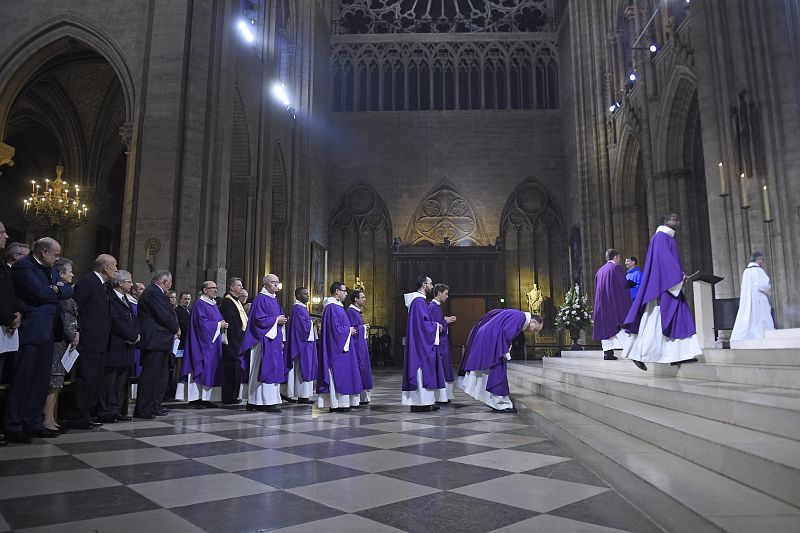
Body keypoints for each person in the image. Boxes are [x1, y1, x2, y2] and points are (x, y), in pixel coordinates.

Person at [6, 237, 73, 443]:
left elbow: (68, 290)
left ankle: (33, 422)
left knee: (40, 382)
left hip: (48, 331)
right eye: (55, 254)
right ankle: (14, 426)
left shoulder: (50, 269)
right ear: (44, 252)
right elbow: (40, 293)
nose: (58, 258)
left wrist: (56, 289)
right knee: (23, 380)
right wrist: (56, 289)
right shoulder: (24, 267)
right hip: (32, 331)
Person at [623, 213, 702, 370]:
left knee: (676, 318)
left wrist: (678, 275)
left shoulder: (666, 238)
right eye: (674, 219)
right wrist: (678, 276)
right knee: (653, 321)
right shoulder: (661, 238)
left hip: (666, 284)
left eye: (678, 219)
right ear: (666, 221)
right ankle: (637, 354)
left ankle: (679, 356)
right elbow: (666, 262)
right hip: (662, 286)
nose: (678, 221)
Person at [459, 310, 543, 413]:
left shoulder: (518, 315)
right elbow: (506, 333)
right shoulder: (521, 318)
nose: (533, 332)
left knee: (490, 370)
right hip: (491, 338)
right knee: (498, 369)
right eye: (535, 329)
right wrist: (505, 350)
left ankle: (492, 399)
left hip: (488, 336)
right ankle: (501, 403)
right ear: (533, 322)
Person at [69, 254, 117, 429]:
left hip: (100, 342)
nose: (116, 270)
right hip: (88, 341)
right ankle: (78, 417)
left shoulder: (103, 286)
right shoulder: (87, 282)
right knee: (86, 380)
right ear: (105, 267)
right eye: (114, 266)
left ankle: (88, 414)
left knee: (95, 380)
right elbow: (75, 308)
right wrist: (76, 330)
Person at [134, 270, 179, 419]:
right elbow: (164, 315)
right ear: (165, 281)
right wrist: (175, 327)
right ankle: (143, 409)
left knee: (160, 377)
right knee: (151, 376)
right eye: (170, 281)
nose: (171, 284)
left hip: (160, 341)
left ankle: (154, 406)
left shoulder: (157, 293)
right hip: (154, 341)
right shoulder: (153, 293)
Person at [240, 274, 287, 412]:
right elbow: (258, 320)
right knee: (262, 369)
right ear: (265, 283)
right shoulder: (260, 299)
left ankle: (263, 401)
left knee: (273, 368)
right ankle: (261, 401)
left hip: (273, 340)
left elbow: (278, 318)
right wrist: (276, 320)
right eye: (273, 282)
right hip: (262, 340)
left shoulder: (274, 300)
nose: (276, 284)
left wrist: (281, 330)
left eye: (277, 282)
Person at [177, 281, 228, 408]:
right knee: (200, 367)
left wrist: (223, 324)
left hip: (213, 344)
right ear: (205, 290)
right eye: (213, 288)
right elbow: (201, 324)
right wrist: (218, 325)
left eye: (216, 288)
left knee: (210, 370)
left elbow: (218, 320)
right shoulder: (199, 304)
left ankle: (206, 399)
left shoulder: (213, 305)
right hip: (200, 344)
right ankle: (195, 399)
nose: (216, 290)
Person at [401, 275, 446, 413]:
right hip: (421, 344)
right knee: (422, 370)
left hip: (419, 341)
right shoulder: (419, 302)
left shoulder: (419, 301)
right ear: (424, 284)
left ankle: (423, 403)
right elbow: (422, 324)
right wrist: (436, 326)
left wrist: (434, 325)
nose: (431, 286)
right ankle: (421, 403)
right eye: (430, 284)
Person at [43, 258, 78, 433]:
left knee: (57, 383)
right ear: (61, 273)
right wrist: (73, 334)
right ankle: (46, 419)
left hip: (65, 341)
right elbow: (65, 317)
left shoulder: (66, 291)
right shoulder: (61, 294)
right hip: (59, 341)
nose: (72, 274)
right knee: (53, 381)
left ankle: (51, 418)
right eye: (69, 271)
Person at [100, 270, 139, 422]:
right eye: (129, 281)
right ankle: (105, 411)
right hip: (115, 344)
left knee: (120, 381)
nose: (132, 284)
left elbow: (134, 320)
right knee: (109, 381)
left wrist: (135, 335)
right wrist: (132, 336)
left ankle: (116, 410)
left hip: (127, 346)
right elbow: (115, 321)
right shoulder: (110, 297)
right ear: (120, 283)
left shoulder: (126, 298)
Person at [318, 282, 361, 412]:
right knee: (338, 373)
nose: (346, 293)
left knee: (344, 373)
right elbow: (335, 329)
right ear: (337, 291)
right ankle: (337, 404)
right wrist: (348, 330)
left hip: (342, 345)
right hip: (336, 348)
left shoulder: (337, 306)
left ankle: (341, 403)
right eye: (344, 291)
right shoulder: (331, 307)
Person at [0, 223, 22, 446]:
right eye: (2, 232)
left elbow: (10, 295)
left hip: (7, 327)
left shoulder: (4, 268)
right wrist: (7, 317)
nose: (5, 236)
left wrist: (17, 313)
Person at [593, 249, 631, 360]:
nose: (619, 260)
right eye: (618, 257)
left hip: (601, 304)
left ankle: (608, 353)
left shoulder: (600, 271)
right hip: (612, 303)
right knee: (618, 326)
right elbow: (622, 285)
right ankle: (630, 351)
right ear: (615, 257)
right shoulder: (615, 268)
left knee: (605, 328)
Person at [282, 287, 317, 404]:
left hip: (306, 343)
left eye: (308, 294)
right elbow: (300, 327)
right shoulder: (297, 308)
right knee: (300, 369)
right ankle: (301, 395)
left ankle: (303, 395)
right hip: (301, 344)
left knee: (305, 368)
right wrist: (311, 322)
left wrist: (311, 322)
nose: (308, 296)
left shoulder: (302, 308)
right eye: (305, 294)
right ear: (298, 295)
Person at [730, 252, 775, 341]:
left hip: (748, 300)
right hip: (759, 300)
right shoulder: (758, 271)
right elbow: (764, 285)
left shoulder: (746, 272)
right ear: (759, 260)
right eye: (762, 260)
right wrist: (769, 288)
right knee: (761, 318)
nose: (762, 263)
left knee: (748, 317)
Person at [219, 278, 247, 404]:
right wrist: (239, 338)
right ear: (231, 287)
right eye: (239, 285)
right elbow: (233, 323)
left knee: (236, 369)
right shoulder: (227, 302)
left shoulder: (236, 301)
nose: (241, 287)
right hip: (232, 341)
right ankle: (228, 397)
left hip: (238, 340)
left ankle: (234, 395)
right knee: (230, 369)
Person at [428, 284, 457, 402]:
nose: (447, 296)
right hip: (440, 343)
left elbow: (438, 321)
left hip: (442, 342)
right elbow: (435, 325)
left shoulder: (436, 306)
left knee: (444, 367)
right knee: (442, 367)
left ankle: (444, 396)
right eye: (445, 293)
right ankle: (441, 397)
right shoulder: (433, 307)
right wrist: (446, 322)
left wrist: (445, 319)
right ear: (439, 293)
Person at [346, 290, 373, 404]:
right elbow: (353, 329)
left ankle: (363, 397)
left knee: (363, 368)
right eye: (362, 297)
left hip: (360, 344)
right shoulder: (351, 312)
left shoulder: (356, 311)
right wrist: (363, 327)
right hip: (356, 346)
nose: (365, 299)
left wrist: (363, 327)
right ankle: (357, 398)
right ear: (356, 299)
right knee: (359, 368)